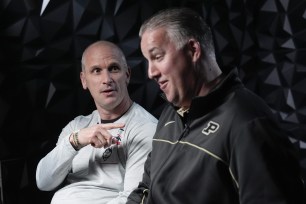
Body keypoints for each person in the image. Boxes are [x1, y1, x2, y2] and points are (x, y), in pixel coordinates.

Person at [127, 7, 305, 204]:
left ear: (193, 50)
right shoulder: (170, 113)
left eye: (158, 57)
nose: (150, 72)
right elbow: (146, 188)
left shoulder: (247, 122)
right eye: (147, 61)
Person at [36, 40, 157, 204]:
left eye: (114, 68)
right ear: (84, 80)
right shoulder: (77, 126)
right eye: (96, 71)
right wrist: (74, 142)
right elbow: (44, 182)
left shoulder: (145, 128)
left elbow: (132, 200)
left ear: (127, 74)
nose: (107, 79)